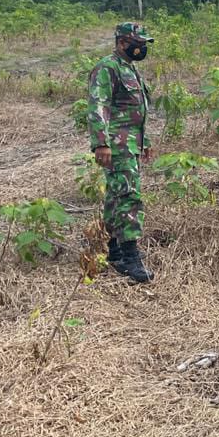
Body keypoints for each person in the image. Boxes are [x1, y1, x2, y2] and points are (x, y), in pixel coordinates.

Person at [88, 22, 155, 283]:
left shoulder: (129, 68)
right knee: (128, 197)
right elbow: (98, 105)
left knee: (116, 196)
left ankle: (113, 250)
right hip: (116, 145)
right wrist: (101, 143)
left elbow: (134, 112)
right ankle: (131, 257)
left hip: (130, 142)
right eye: (137, 43)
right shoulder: (107, 67)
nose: (141, 48)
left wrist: (144, 141)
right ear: (122, 43)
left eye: (143, 43)